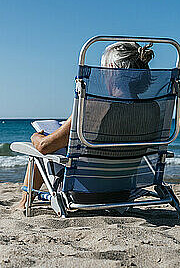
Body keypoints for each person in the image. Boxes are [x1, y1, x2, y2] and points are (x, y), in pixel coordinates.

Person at [17, 41, 155, 209]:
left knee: (37, 151)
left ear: (111, 69)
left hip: (83, 193)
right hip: (122, 192)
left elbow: (45, 147)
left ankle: (24, 203)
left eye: (103, 69)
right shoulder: (152, 110)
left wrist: (36, 137)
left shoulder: (91, 106)